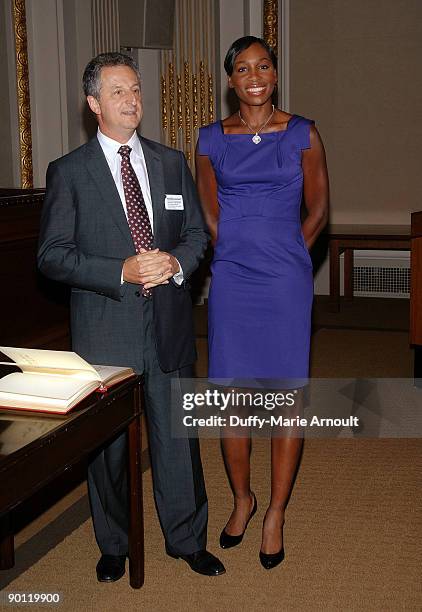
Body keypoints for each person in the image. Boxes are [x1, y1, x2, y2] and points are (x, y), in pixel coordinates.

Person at [38, 52, 225, 581]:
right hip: (105, 327)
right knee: (109, 452)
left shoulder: (169, 163)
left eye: (136, 89)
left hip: (166, 321)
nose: (132, 100)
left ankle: (187, 540)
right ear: (94, 103)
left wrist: (176, 263)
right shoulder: (69, 173)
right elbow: (52, 256)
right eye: (119, 91)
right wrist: (119, 269)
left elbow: (196, 235)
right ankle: (114, 544)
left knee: (177, 439)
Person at [195, 36, 329, 569]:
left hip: (286, 281)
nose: (255, 75)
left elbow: (318, 209)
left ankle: (275, 511)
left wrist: (292, 257)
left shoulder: (303, 132)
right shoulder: (209, 138)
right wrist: (234, 253)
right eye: (243, 68)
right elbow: (209, 214)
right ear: (230, 81)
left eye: (264, 65)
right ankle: (242, 500)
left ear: (275, 73)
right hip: (231, 279)